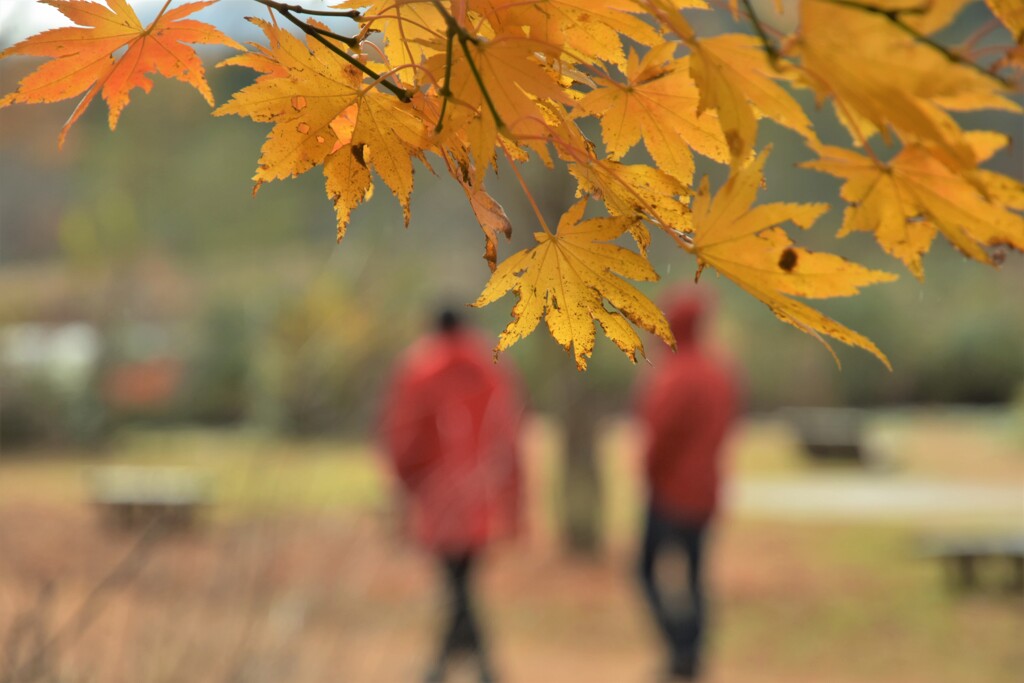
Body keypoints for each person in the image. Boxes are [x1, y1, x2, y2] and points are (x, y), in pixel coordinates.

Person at [378, 308, 524, 683]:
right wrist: (512, 499)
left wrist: (406, 486)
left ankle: (461, 667)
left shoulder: (419, 370)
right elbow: (508, 434)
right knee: (460, 581)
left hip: (439, 498)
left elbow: (404, 438)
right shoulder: (490, 368)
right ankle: (460, 664)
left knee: (456, 583)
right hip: (481, 494)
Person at [632, 287, 740, 681]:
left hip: (670, 492)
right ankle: (691, 654)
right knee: (695, 577)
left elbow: (660, 436)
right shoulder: (719, 372)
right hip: (706, 490)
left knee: (646, 570)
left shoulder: (674, 374)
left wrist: (648, 473)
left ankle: (681, 646)